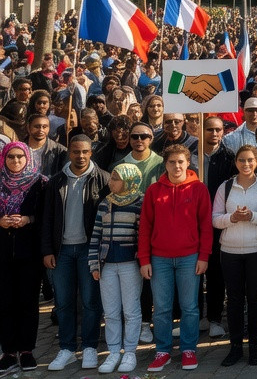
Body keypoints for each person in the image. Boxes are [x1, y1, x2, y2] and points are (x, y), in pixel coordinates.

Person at [138, 144, 212, 371]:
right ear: (165, 164)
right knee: (161, 308)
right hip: (159, 258)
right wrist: (144, 259)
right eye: (172, 162)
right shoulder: (154, 191)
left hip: (190, 257)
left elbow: (206, 226)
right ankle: (163, 351)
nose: (177, 166)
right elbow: (145, 227)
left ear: (188, 163)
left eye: (181, 161)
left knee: (189, 307)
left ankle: (189, 349)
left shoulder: (198, 189)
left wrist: (204, 256)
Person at [41, 134, 107, 371]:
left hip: (89, 250)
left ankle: (90, 346)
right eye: (76, 151)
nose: (80, 156)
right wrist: (47, 250)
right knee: (63, 302)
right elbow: (46, 219)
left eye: (85, 152)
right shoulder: (56, 182)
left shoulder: (103, 180)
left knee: (90, 301)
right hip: (62, 252)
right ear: (69, 152)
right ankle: (67, 348)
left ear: (91, 153)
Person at [210, 144, 257, 367]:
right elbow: (215, 219)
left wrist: (253, 216)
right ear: (236, 162)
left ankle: (255, 346)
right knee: (235, 300)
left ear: (256, 161)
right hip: (229, 252)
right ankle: (236, 346)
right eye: (241, 160)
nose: (245, 164)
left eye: (250, 160)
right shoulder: (225, 187)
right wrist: (233, 218)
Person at [88, 163, 143, 373]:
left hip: (130, 264)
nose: (111, 182)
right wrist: (94, 263)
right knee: (110, 312)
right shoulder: (105, 204)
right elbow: (96, 236)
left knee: (131, 310)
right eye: (111, 178)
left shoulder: (140, 202)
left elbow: (143, 234)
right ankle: (113, 352)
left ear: (129, 180)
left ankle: (129, 351)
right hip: (106, 265)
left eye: (116, 178)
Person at [0, 142, 45, 372]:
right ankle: (8, 351)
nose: (16, 161)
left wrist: (28, 219)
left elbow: (46, 215)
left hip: (30, 252)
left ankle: (26, 350)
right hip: (3, 252)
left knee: (28, 301)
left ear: (27, 158)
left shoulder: (39, 182)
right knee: (5, 301)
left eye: (20, 157)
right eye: (11, 157)